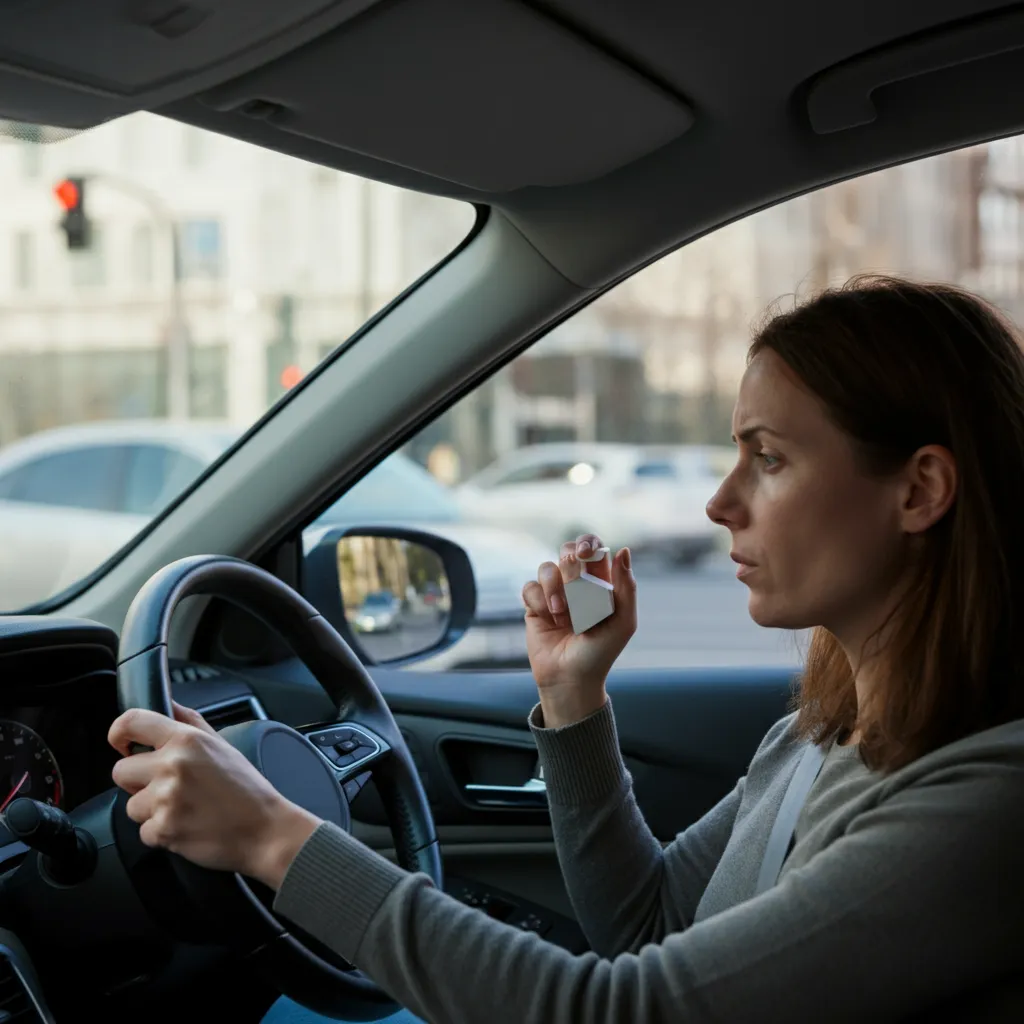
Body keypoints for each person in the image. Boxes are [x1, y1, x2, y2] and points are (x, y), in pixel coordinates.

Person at [108, 275, 1024, 1023]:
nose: (720, 502)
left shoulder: (986, 801)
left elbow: (623, 1009)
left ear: (919, 491)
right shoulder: (821, 736)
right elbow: (646, 926)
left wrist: (275, 836)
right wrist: (574, 698)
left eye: (769, 457)